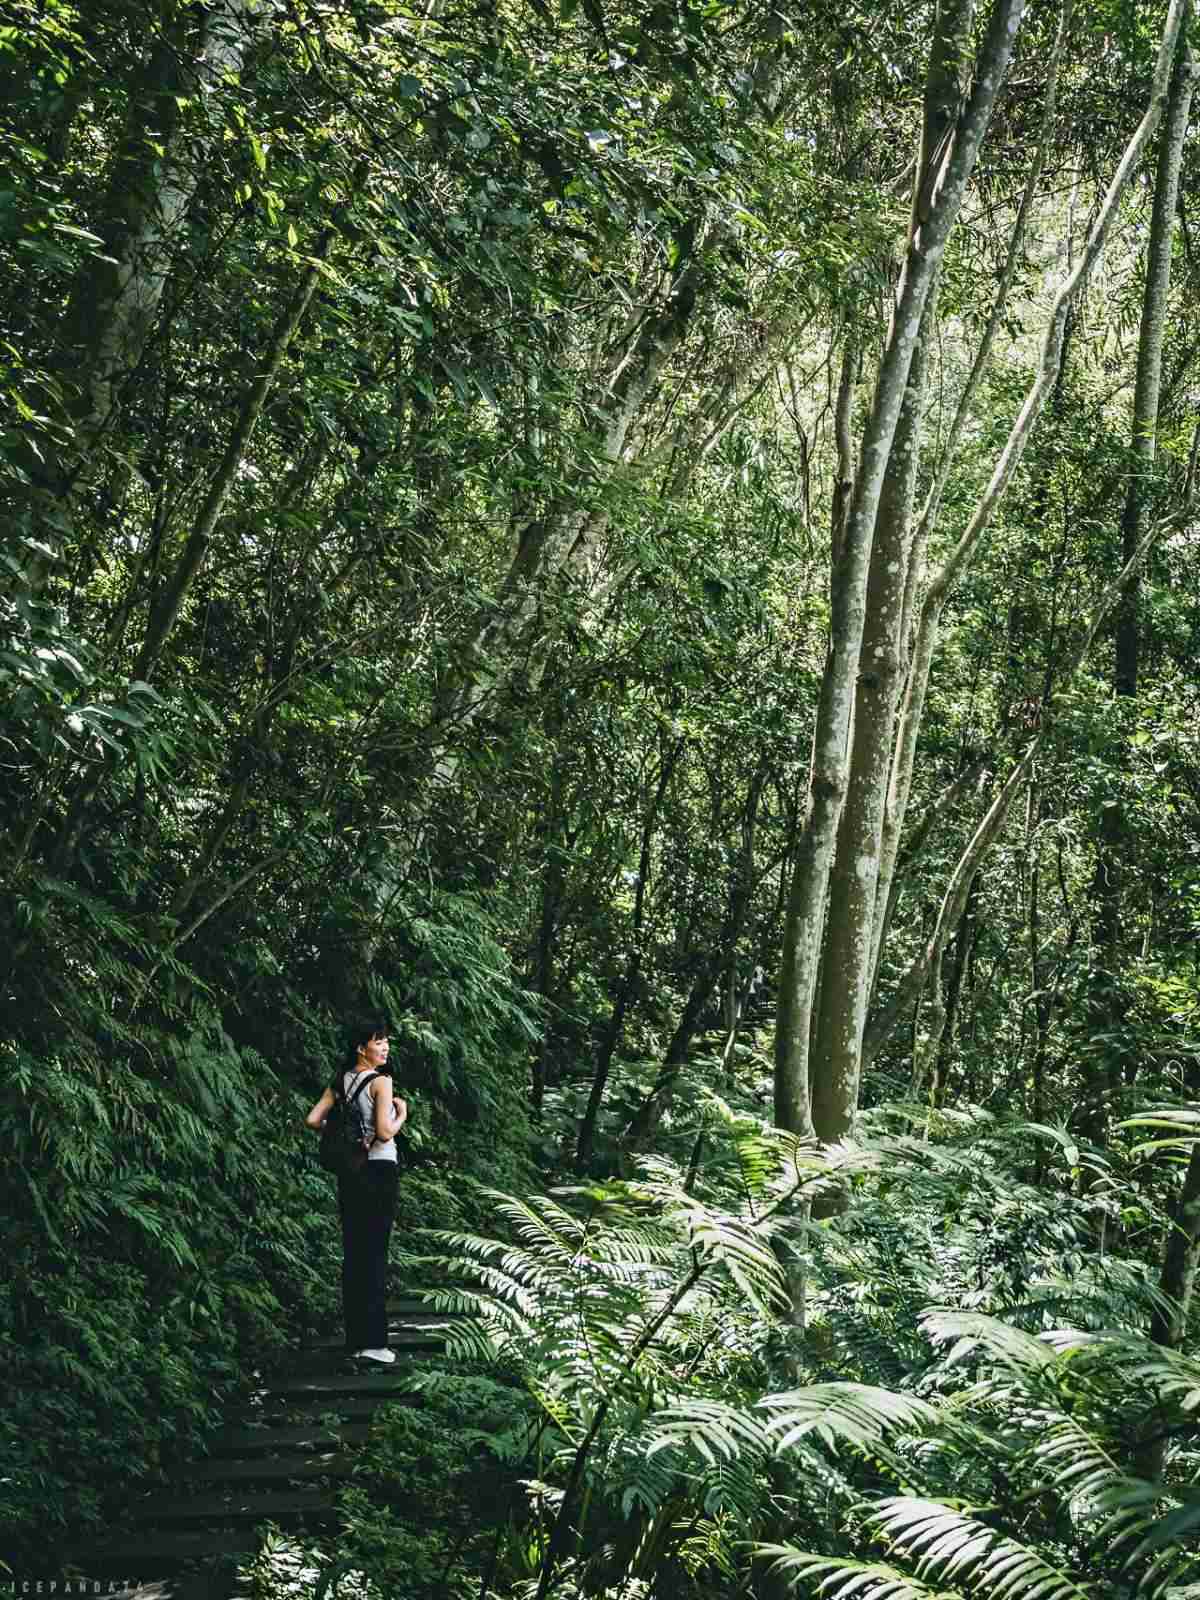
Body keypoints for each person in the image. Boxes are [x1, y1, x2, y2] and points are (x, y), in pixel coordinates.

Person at [305, 1017, 407, 1364]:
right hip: (379, 1170)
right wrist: (402, 1114)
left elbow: (313, 1120)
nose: (385, 1047)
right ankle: (375, 1344)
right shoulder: (382, 1083)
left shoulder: (340, 1081)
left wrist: (348, 1144)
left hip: (351, 1173)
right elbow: (385, 1130)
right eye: (379, 1042)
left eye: (386, 1042)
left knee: (354, 1252)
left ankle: (355, 1340)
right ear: (361, 1047)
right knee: (375, 1253)